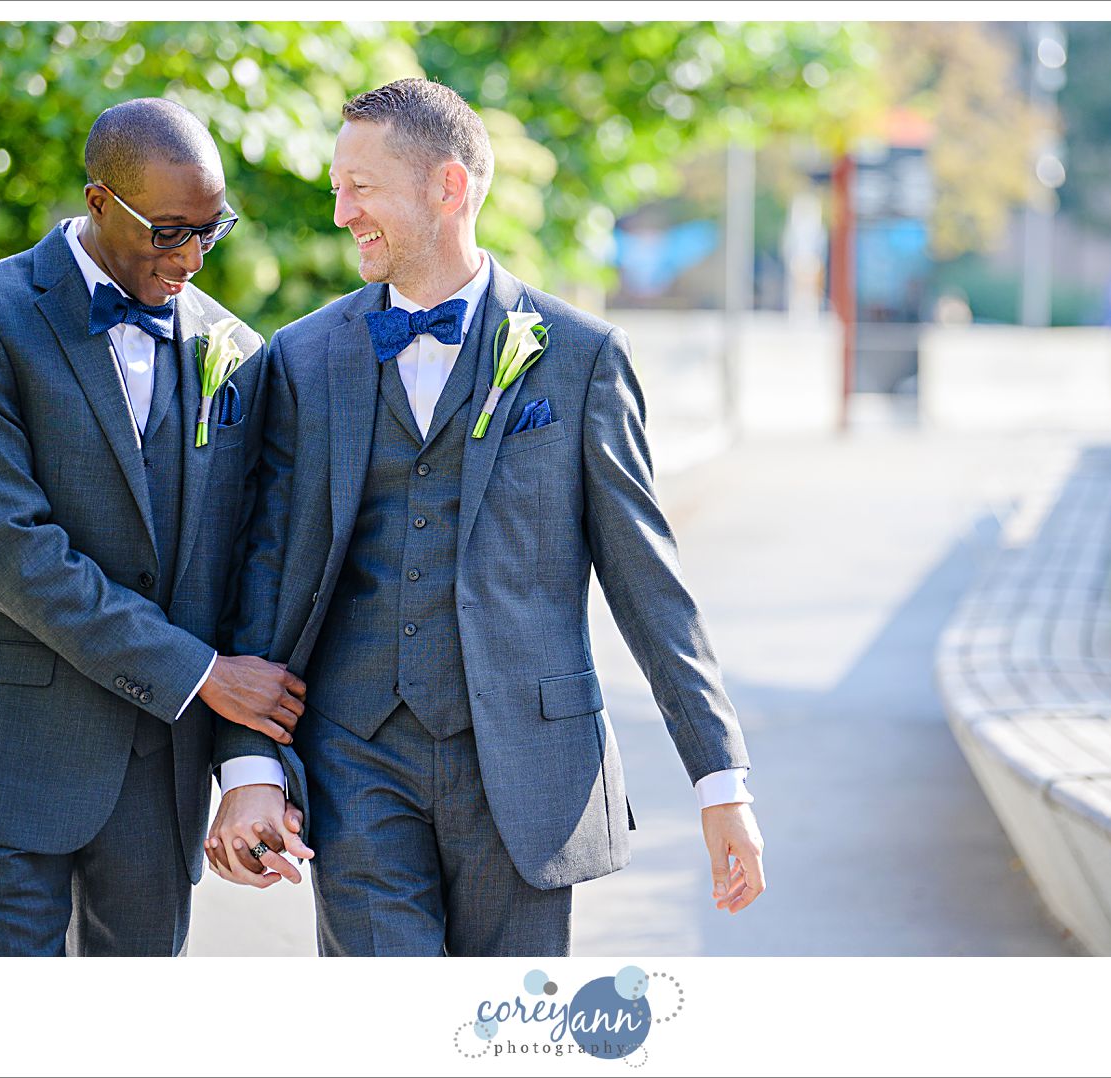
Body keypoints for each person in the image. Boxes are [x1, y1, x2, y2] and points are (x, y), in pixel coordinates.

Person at [209, 79, 765, 956]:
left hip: (529, 768)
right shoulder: (305, 359)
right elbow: (264, 574)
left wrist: (719, 779)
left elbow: (647, 579)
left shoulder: (580, 359)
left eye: (362, 188)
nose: (340, 211)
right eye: (336, 186)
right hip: (355, 759)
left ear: (448, 188)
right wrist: (247, 766)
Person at [0, 98, 308, 956]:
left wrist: (247, 767)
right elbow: (7, 554)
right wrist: (196, 673)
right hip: (7, 756)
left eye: (210, 231)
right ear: (100, 201)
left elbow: (247, 572)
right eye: (168, 232)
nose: (191, 258)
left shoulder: (236, 349)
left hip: (158, 781)